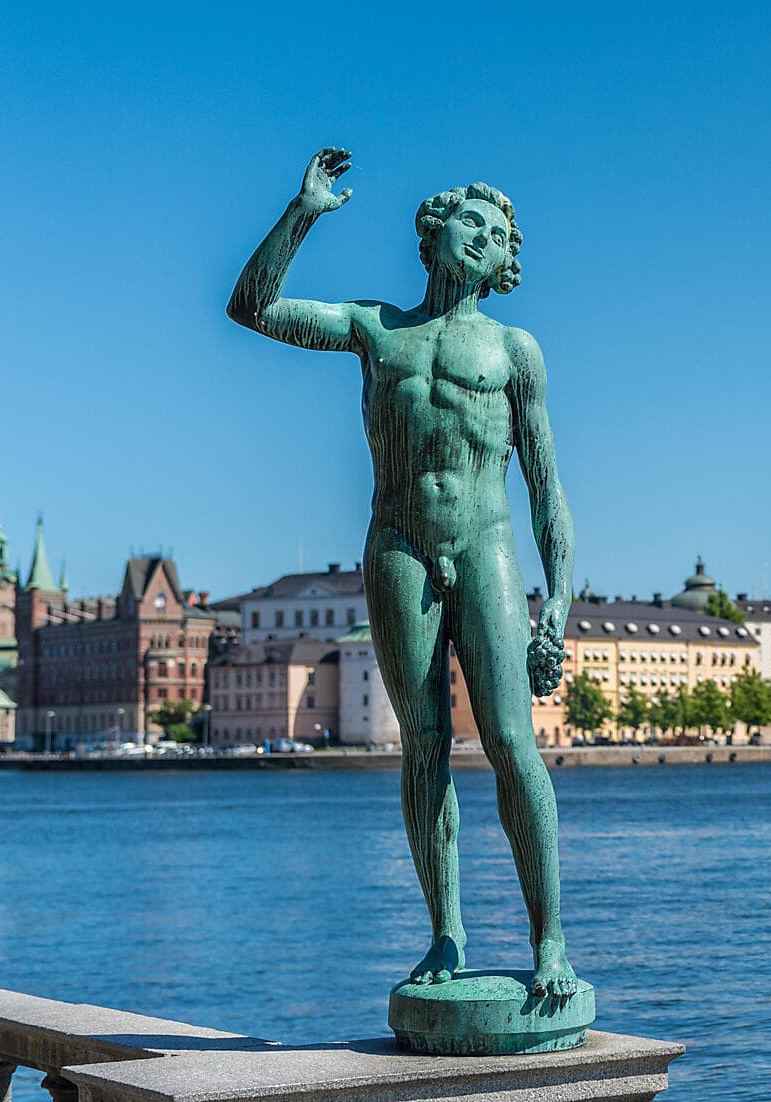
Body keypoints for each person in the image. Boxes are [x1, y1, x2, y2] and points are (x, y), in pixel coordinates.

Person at [228, 148, 577, 1001]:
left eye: (496, 236)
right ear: (434, 234)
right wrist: (303, 210)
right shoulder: (375, 327)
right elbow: (252, 306)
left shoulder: (514, 352)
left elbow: (547, 492)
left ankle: (551, 942)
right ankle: (446, 936)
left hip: (487, 549)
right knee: (423, 744)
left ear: (503, 265)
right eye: (470, 221)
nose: (481, 238)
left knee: (509, 741)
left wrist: (560, 599)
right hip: (398, 549)